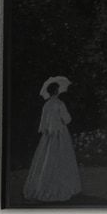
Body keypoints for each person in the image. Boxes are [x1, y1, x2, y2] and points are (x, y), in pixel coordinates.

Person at [23, 75, 82, 203]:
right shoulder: (60, 104)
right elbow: (67, 119)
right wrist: (63, 119)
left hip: (48, 135)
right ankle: (61, 186)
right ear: (56, 91)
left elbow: (43, 122)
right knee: (61, 157)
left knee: (46, 157)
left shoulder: (46, 105)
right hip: (60, 133)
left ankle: (42, 185)